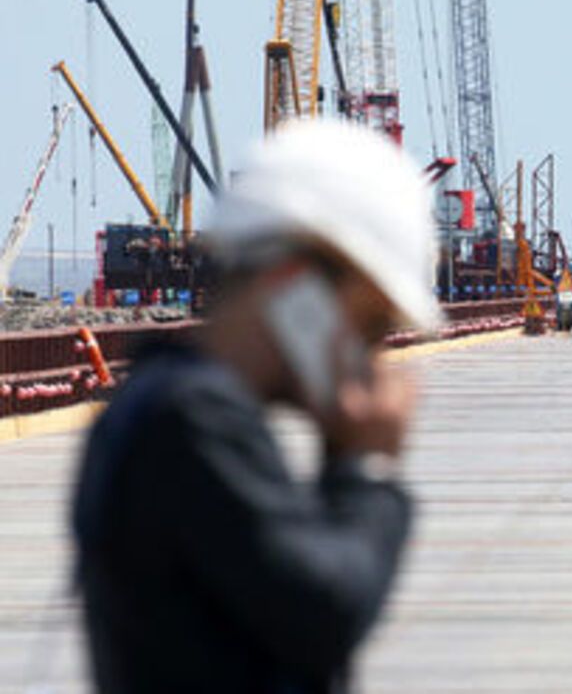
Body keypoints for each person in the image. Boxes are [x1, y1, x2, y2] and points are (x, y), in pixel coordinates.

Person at [72, 120, 437, 694]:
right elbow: (323, 610)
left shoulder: (163, 402)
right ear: (297, 290)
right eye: (370, 325)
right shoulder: (192, 421)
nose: (370, 356)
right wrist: (368, 470)